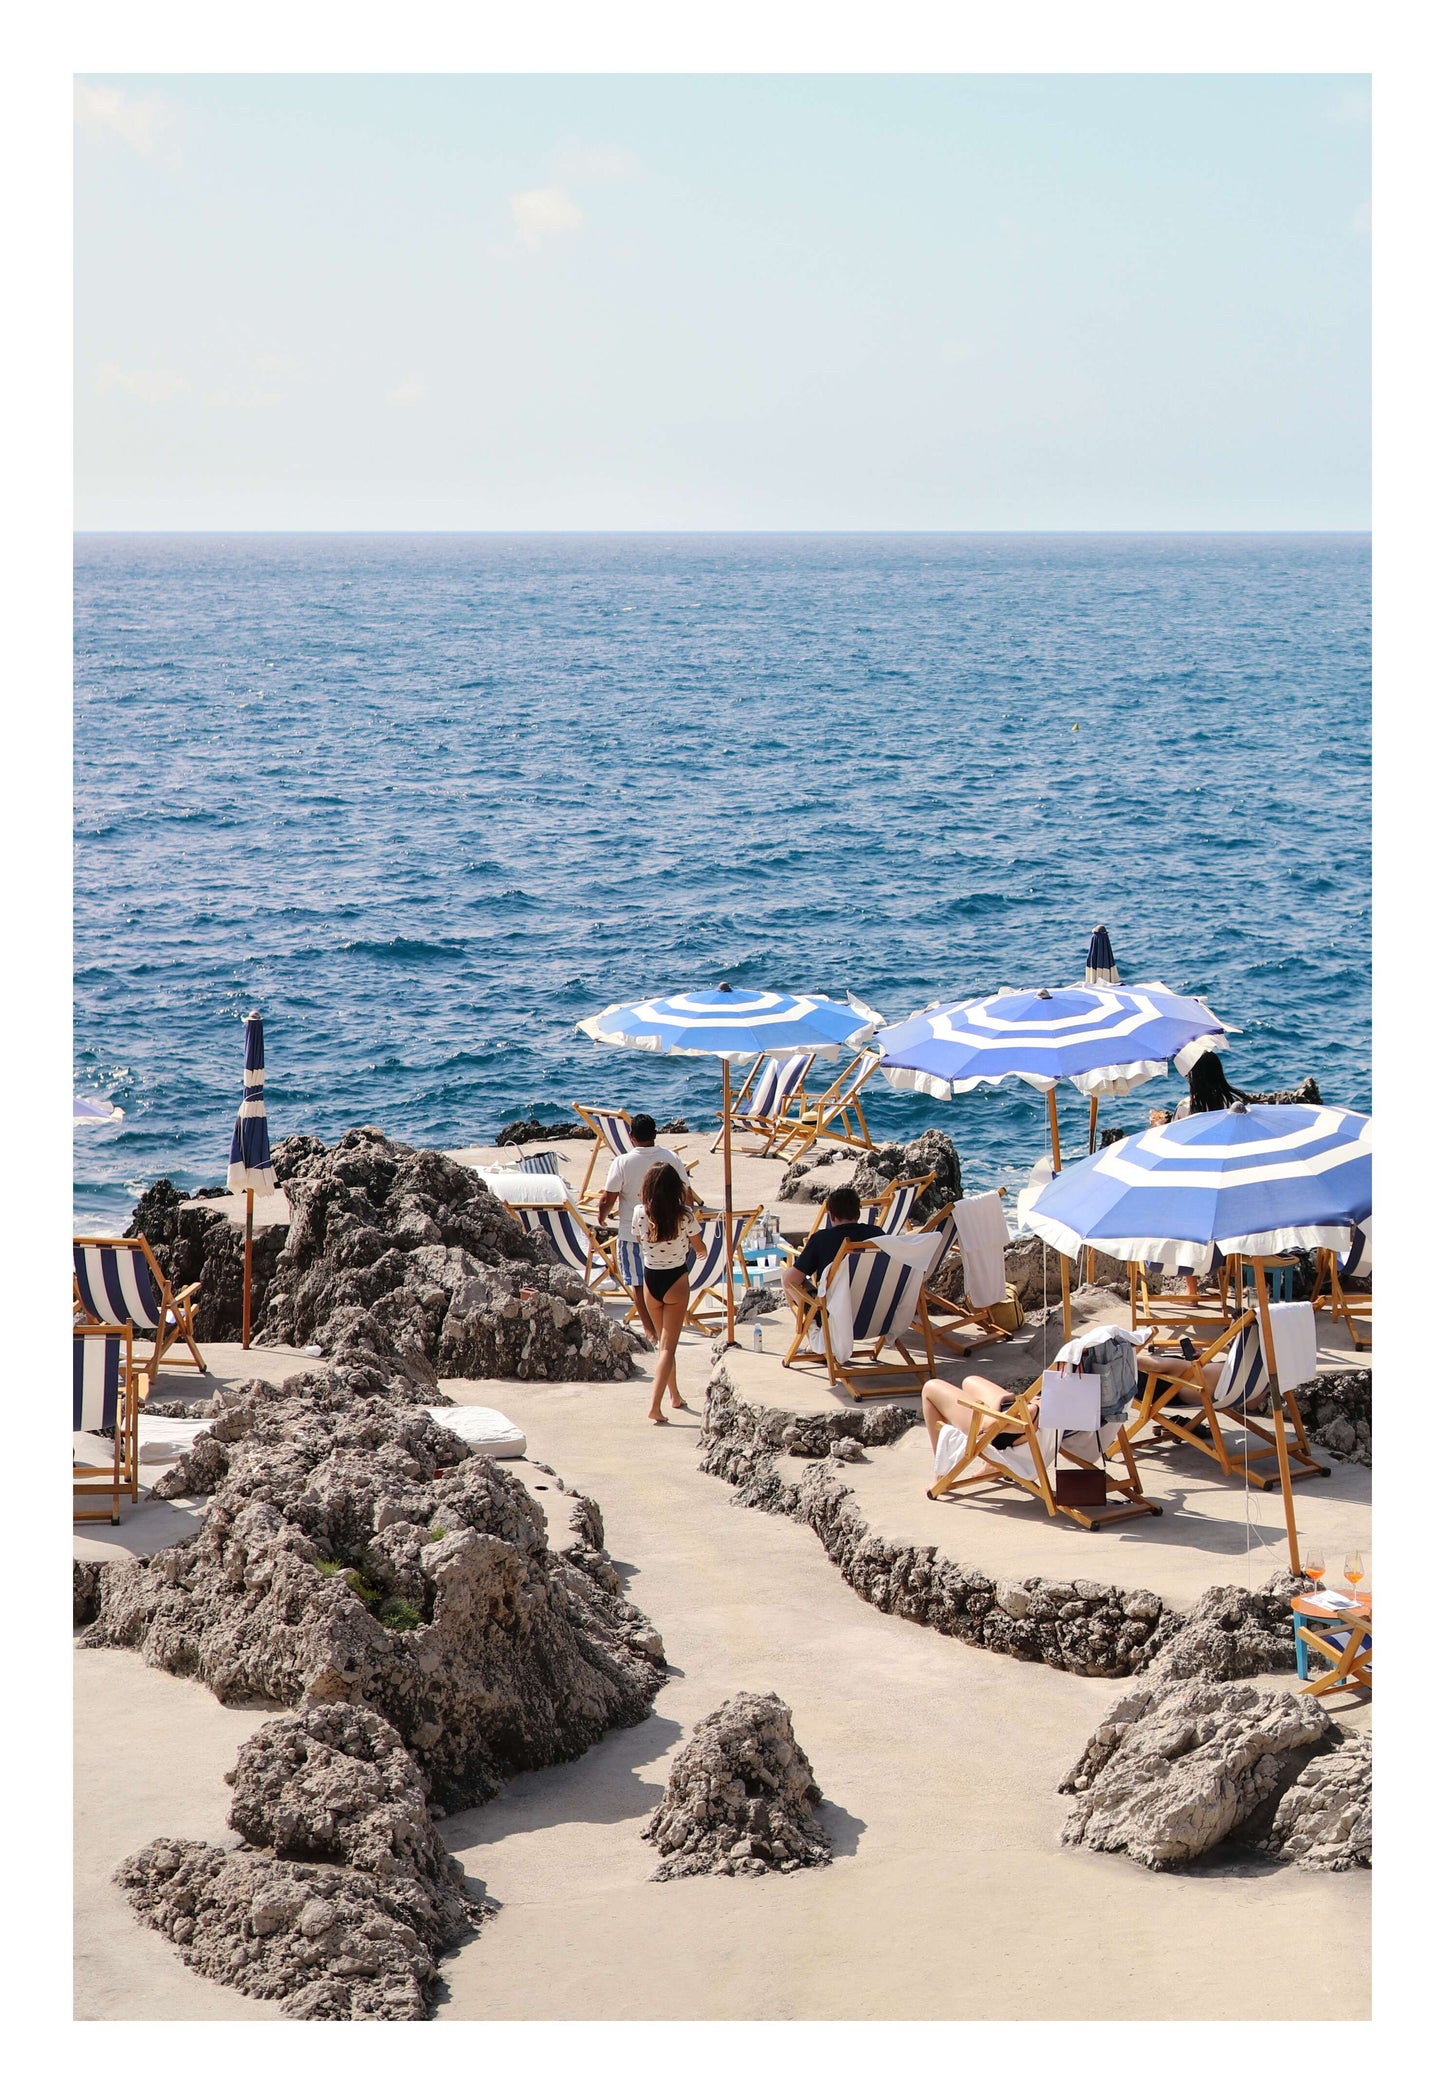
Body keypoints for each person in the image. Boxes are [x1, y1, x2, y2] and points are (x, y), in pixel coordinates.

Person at [596, 1114, 692, 1343]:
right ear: (655, 1134)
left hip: (633, 1231)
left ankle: (650, 1330)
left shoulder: (622, 1162)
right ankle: (665, 1328)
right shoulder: (670, 1158)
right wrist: (686, 1220)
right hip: (669, 1230)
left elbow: (607, 1198)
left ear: (631, 1137)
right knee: (667, 1277)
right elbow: (686, 1194)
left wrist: (602, 1217)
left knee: (639, 1283)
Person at [634, 1161, 705, 1425]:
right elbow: (700, 1247)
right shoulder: (684, 1216)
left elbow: (639, 1240)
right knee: (668, 1347)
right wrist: (701, 1250)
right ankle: (654, 1405)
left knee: (664, 1343)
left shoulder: (640, 1213)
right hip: (676, 1280)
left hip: (651, 1280)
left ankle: (674, 1395)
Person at [780, 1184, 884, 1324]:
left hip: (835, 1318)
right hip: (875, 1314)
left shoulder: (822, 1239)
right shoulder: (877, 1234)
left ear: (831, 1216)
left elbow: (790, 1281)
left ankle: (813, 1335)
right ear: (858, 1213)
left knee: (788, 1278)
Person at [1149, 1050, 1244, 1128]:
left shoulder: (1185, 1106)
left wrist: (1157, 1125)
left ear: (1192, 1077)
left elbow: (1174, 1135)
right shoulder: (1231, 1103)